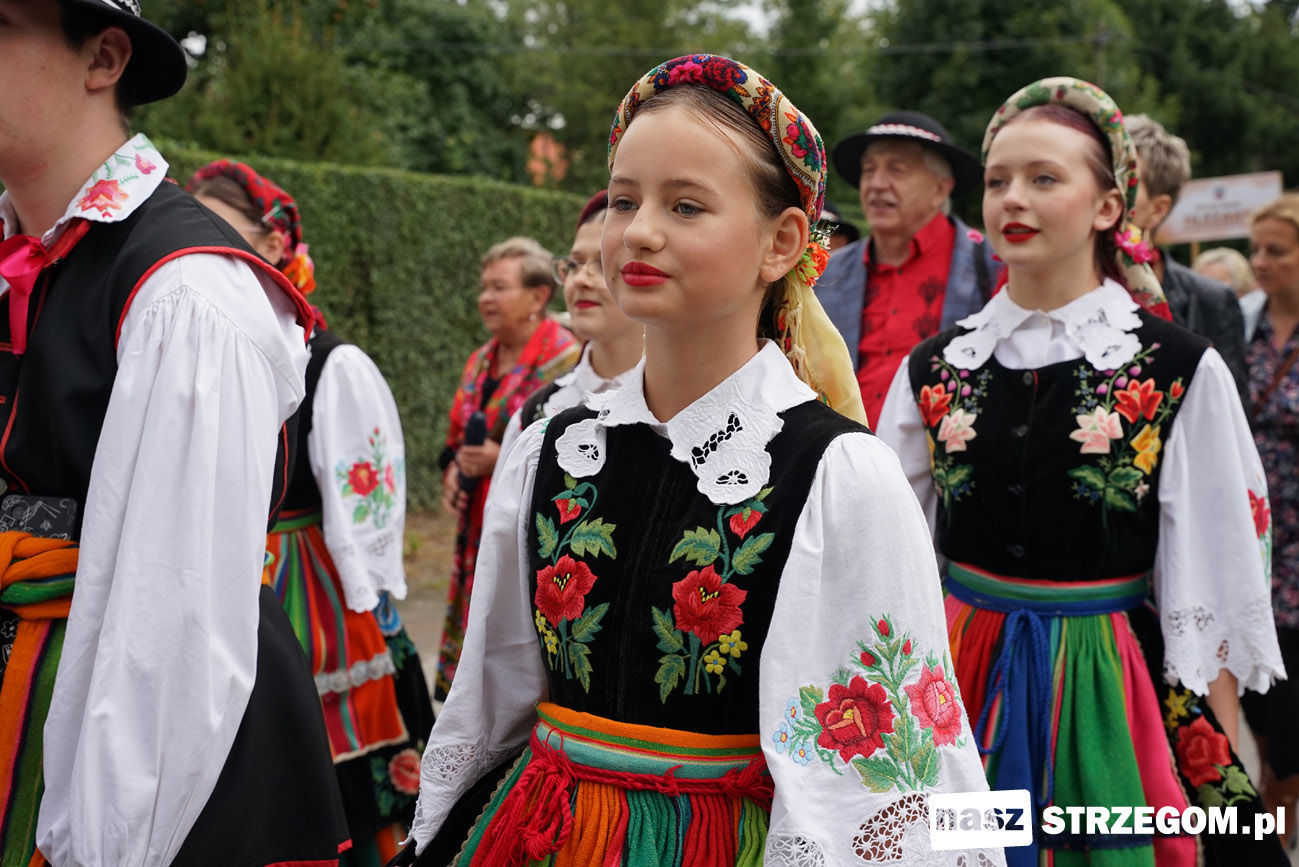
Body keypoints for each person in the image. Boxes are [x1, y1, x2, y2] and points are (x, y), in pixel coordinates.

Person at [398, 54, 1000, 867]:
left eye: (685, 205)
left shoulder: (839, 475)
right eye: (624, 200)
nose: (640, 230)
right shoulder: (551, 445)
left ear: (782, 242)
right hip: (539, 834)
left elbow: (888, 777)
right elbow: (491, 695)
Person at [878, 77, 1286, 867]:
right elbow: (894, 553)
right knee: (962, 846)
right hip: (963, 676)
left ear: (1107, 207)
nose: (1013, 198)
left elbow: (1211, 570)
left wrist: (1218, 727)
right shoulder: (935, 367)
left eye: (1044, 178)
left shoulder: (1175, 367)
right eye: (999, 180)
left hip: (1109, 681)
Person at [0, 0, 348, 863]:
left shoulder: (185, 293)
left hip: (135, 763)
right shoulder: (25, 254)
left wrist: (102, 842)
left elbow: (170, 634)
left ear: (102, 59)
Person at [188, 160, 435, 866]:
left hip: (313, 583)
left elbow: (369, 501)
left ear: (273, 243)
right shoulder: (202, 342)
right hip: (227, 565)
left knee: (323, 753)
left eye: (219, 229)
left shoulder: (331, 362)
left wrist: (365, 599)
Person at [434, 238, 579, 700]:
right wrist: (454, 468)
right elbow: (455, 436)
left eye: (499, 287)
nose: (486, 298)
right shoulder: (482, 359)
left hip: (532, 523)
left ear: (538, 296)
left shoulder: (568, 362)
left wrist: (503, 460)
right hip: (476, 521)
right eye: (484, 287)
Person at [818, 110, 999, 426]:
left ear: (940, 189)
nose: (876, 184)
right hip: (845, 449)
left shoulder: (990, 266)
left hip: (944, 450)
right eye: (869, 170)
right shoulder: (826, 274)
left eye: (896, 170)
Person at [499, 190, 643, 460]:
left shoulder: (685, 409)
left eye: (603, 263)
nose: (581, 279)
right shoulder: (537, 413)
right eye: (575, 264)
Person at [1241, 193, 1299, 846]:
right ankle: (1276, 779)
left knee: (1289, 674)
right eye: (1255, 249)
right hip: (1253, 528)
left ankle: (1280, 796)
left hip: (1298, 540)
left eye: (1276, 251)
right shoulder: (1244, 323)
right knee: (1258, 674)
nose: (1260, 261)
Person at [1125, 114, 1249, 403]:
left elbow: (1227, 412)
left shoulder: (1210, 300)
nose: (1105, 192)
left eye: (1126, 180)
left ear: (1158, 209)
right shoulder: (1056, 288)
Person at [1195, 246, 1265, 339]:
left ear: (1241, 287)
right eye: (1201, 286)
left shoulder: (1257, 321)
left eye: (1216, 286)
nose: (1206, 293)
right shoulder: (1195, 324)